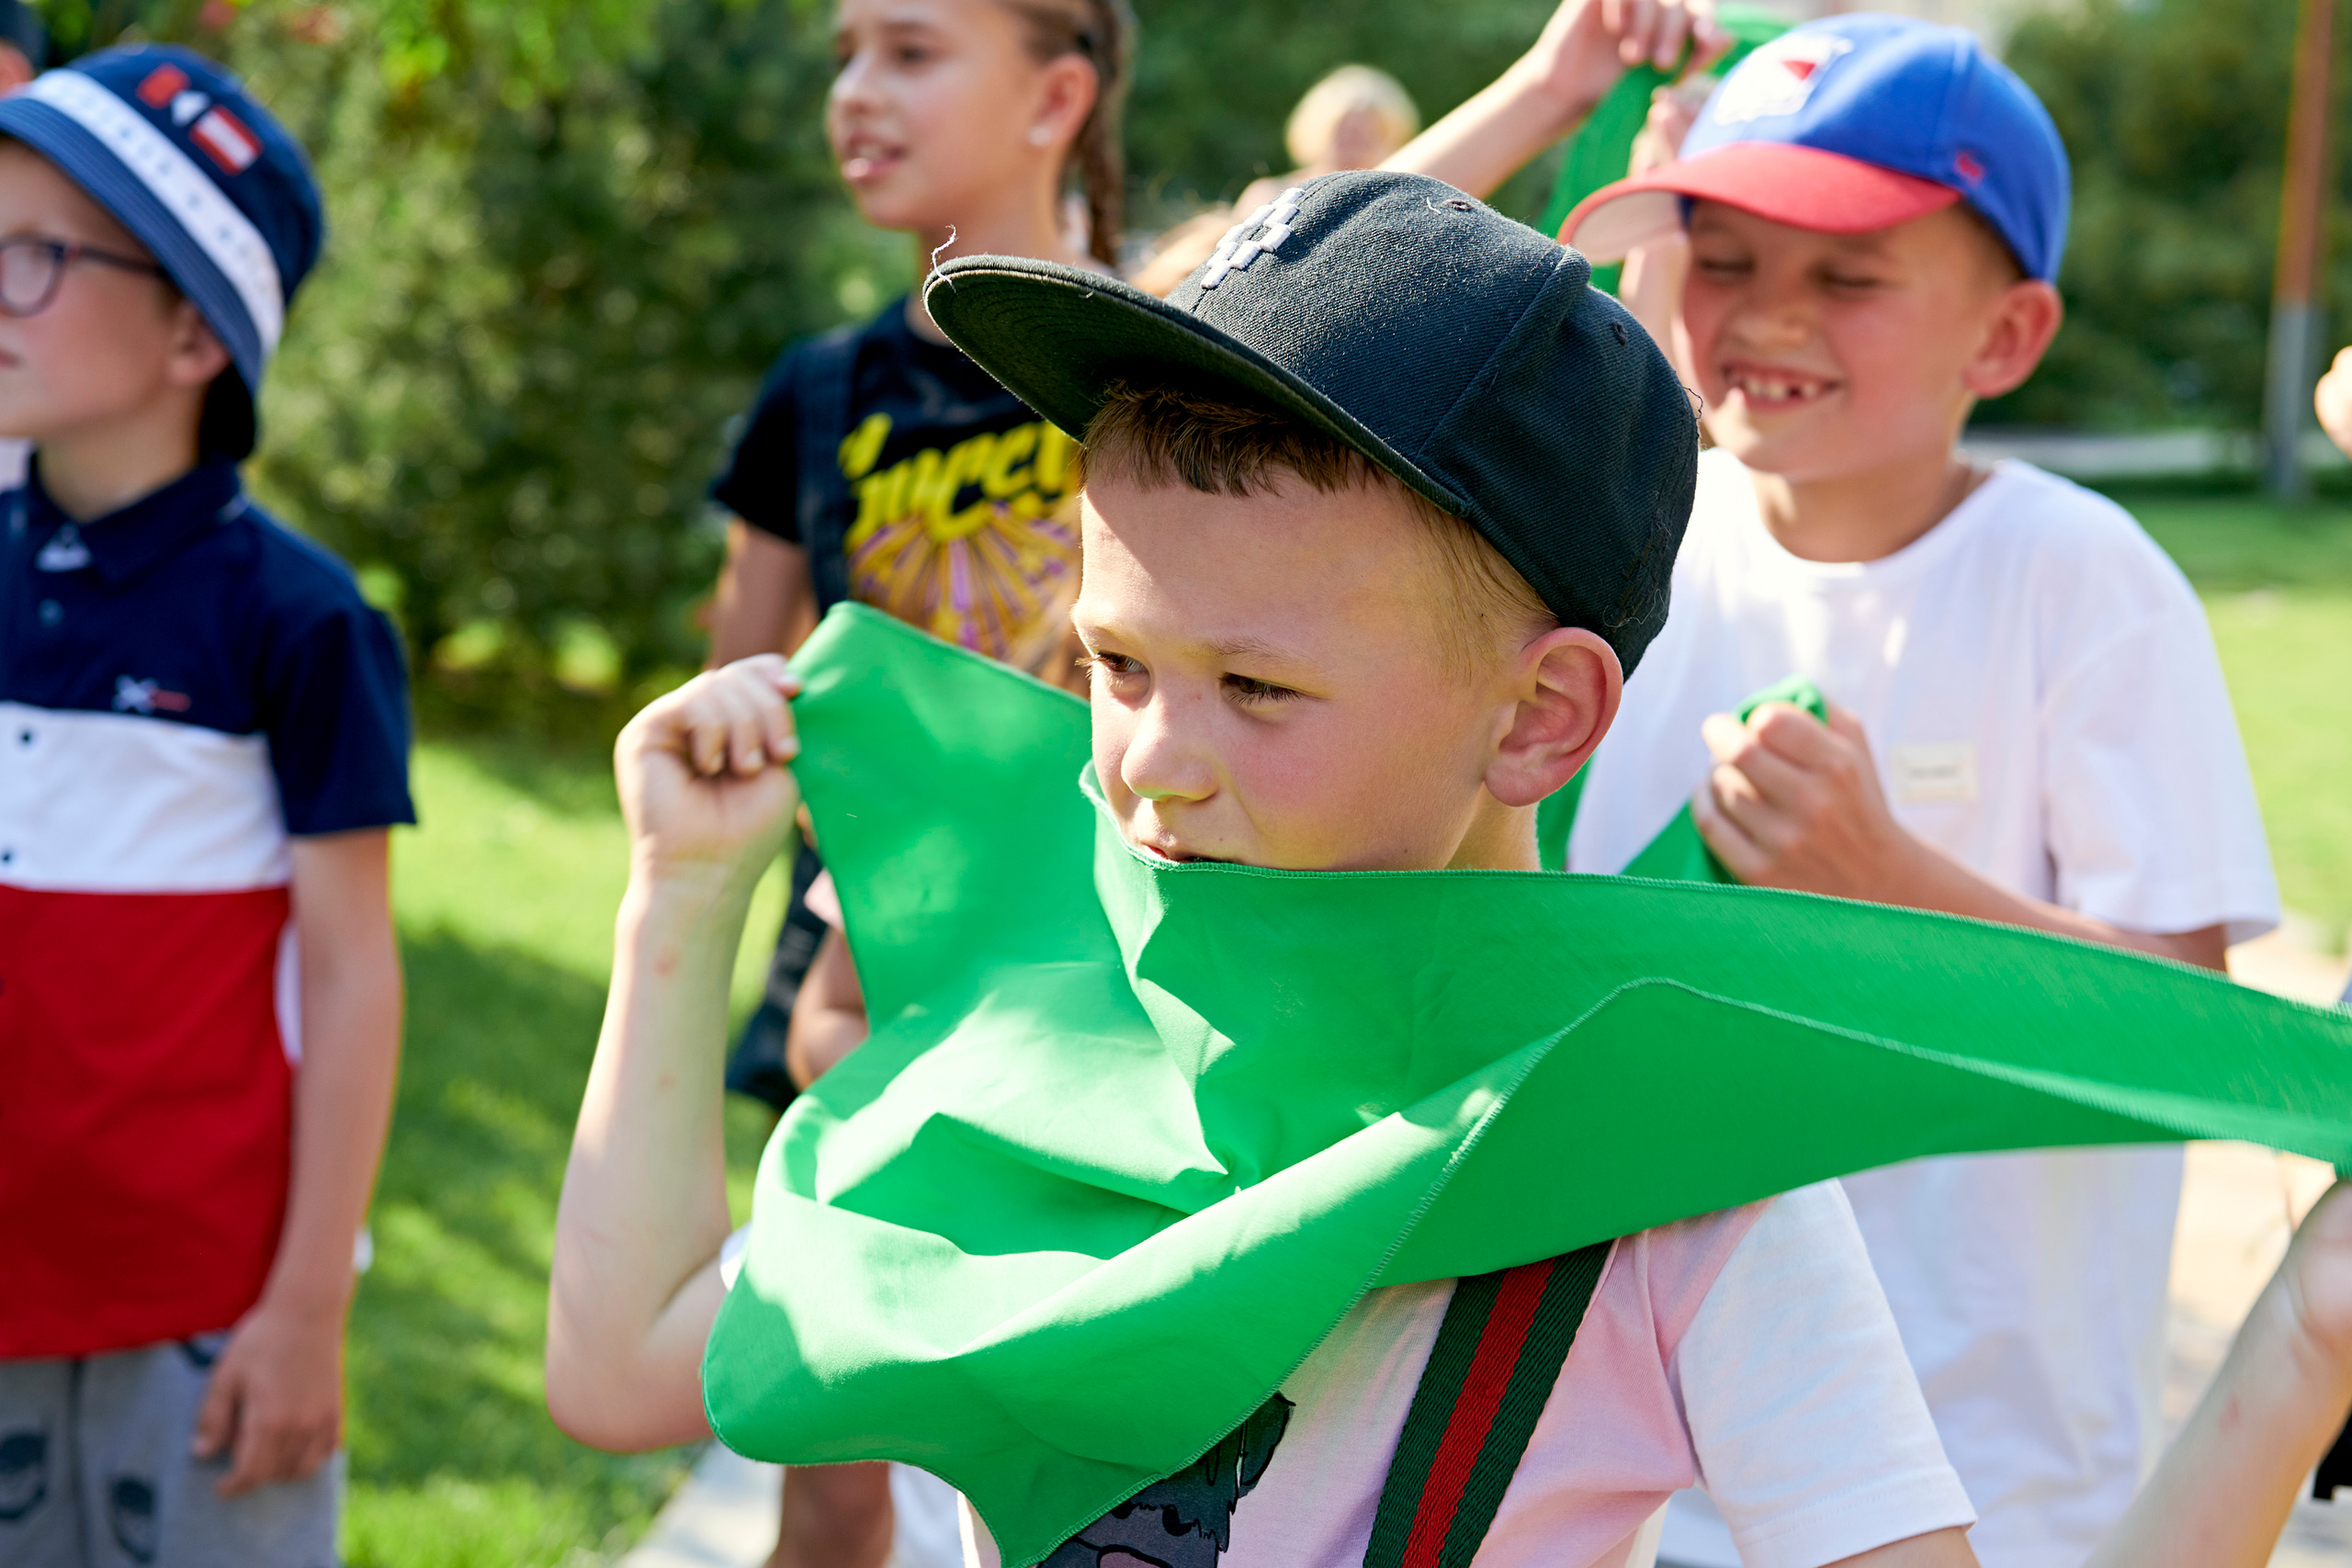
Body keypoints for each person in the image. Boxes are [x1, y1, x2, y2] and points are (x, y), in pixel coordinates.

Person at [547, 103, 2352, 1568]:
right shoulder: (1043, 1007)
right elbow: (625, 1364)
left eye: (1255, 688)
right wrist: (682, 893)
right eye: (1112, 663)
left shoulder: (1670, 1180)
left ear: (1541, 716)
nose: (1147, 769)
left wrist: (2291, 1357)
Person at [1385, 9, 2281, 1565]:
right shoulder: (1627, 553)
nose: (1765, 317)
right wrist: (1558, 91)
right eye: (1723, 260)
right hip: (1639, 1462)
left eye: (1845, 274)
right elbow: (1324, 333)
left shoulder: (2078, 580)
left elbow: (2191, 1042)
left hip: (1988, 1474)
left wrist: (1890, 876)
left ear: (2003, 338)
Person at [700, 0, 1132, 1558]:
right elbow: (734, 707)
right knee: (833, 1441)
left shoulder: (1149, 363)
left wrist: (1560, 83)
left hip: (1104, 979)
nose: (856, 93)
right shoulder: (813, 394)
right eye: (843, 55)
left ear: (1056, 95)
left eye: (911, 50)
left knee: (1075, 1456)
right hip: (861, 968)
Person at [0, 44, 413, 1568]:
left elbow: (355, 969)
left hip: (205, 1301)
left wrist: (309, 1305)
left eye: (36, 254)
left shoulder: (300, 623)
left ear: (193, 332)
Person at [1128, 63, 1419, 299]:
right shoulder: (1268, 195)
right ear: (1318, 131)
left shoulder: (1407, 206)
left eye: (1369, 134)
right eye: (1345, 132)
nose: (1354, 145)